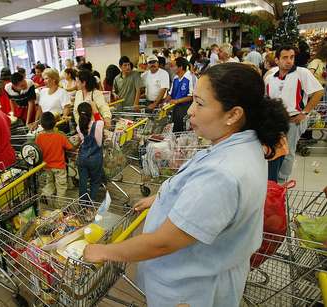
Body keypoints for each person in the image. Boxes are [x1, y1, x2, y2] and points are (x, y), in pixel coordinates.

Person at [83, 63, 290, 307]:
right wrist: (163, 197)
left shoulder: (221, 174)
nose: (190, 111)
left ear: (233, 114)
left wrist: (106, 251)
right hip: (207, 273)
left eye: (200, 103)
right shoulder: (245, 143)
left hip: (191, 290)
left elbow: (164, 242)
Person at [265, 45, 324, 182]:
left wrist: (304, 112)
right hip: (275, 120)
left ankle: (281, 181)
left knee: (288, 151)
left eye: (292, 57)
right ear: (277, 60)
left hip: (294, 119)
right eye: (285, 58)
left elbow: (318, 92)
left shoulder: (301, 73)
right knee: (275, 150)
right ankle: (272, 180)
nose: (289, 61)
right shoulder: (270, 77)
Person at [35, 112, 74, 197]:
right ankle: (59, 206)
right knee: (61, 187)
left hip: (47, 166)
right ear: (55, 123)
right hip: (59, 167)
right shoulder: (60, 136)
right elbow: (70, 148)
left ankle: (46, 196)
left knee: (50, 183)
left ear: (41, 125)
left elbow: (37, 151)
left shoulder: (39, 137)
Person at [76, 102, 104, 202]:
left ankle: (83, 204)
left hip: (82, 157)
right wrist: (94, 106)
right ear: (91, 112)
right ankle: (90, 204)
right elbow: (98, 117)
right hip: (95, 158)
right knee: (95, 181)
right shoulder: (98, 124)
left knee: (82, 182)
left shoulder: (78, 127)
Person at [165, 57, 196, 132]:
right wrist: (164, 102)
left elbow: (192, 97)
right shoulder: (175, 78)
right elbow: (171, 94)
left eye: (173, 66)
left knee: (185, 130)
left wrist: (177, 101)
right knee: (176, 130)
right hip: (176, 109)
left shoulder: (190, 77)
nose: (171, 68)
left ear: (180, 67)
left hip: (187, 108)